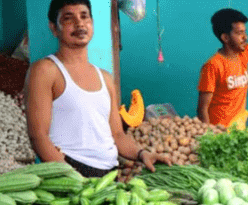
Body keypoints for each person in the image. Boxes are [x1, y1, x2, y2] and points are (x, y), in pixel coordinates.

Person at [25, 0, 170, 178]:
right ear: (54, 28)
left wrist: (142, 154)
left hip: (109, 175)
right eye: (68, 18)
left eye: (84, 16)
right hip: (69, 170)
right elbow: (38, 136)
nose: (79, 23)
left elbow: (117, 134)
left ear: (92, 23)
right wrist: (70, 177)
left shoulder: (106, 78)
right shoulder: (46, 71)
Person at [196, 1, 248, 126]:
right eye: (239, 33)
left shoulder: (244, 54)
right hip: (219, 134)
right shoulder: (212, 66)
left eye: (245, 32)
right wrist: (210, 136)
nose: (246, 37)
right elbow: (202, 110)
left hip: (238, 132)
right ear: (225, 38)